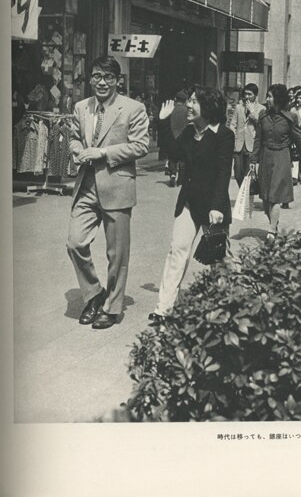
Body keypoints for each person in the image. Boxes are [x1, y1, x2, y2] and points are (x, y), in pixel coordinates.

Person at [66, 56, 149, 329]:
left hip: (117, 185)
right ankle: (93, 293)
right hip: (87, 185)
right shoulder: (81, 107)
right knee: (75, 243)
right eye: (97, 76)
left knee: (117, 254)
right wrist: (78, 150)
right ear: (90, 78)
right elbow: (74, 137)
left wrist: (102, 152)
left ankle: (113, 307)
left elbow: (140, 146)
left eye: (108, 77)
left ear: (118, 81)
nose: (102, 82)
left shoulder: (133, 108)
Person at [148, 86, 234, 323]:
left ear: (207, 107)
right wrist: (163, 122)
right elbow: (173, 153)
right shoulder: (189, 132)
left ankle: (224, 307)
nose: (188, 105)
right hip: (188, 203)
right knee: (177, 252)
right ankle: (163, 309)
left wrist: (217, 206)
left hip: (213, 208)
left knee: (217, 259)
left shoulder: (224, 135)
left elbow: (223, 174)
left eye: (194, 101)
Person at [249, 84, 301, 243]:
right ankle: (273, 223)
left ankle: (271, 231)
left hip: (282, 156)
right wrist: (253, 160)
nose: (267, 99)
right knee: (266, 196)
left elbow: (298, 140)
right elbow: (258, 139)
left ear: (278, 99)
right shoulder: (262, 115)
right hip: (266, 156)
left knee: (274, 195)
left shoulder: (290, 118)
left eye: (269, 96)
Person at [229, 83, 266, 187]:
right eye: (245, 94)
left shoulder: (261, 109)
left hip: (252, 144)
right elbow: (232, 124)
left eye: (250, 94)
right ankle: (244, 192)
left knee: (249, 173)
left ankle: (248, 198)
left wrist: (252, 111)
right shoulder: (238, 107)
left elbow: (261, 125)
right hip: (239, 144)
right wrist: (234, 136)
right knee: (238, 173)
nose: (247, 97)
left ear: (255, 95)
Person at [168, 90, 188, 186]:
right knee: (183, 159)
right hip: (183, 138)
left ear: (176, 99)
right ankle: (181, 180)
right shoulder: (187, 110)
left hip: (172, 137)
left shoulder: (171, 110)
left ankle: (172, 174)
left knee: (172, 158)